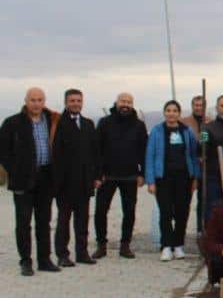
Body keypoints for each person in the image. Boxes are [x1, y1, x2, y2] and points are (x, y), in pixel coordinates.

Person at [0, 88, 60, 275]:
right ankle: (26, 261)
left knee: (44, 221)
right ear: (26, 101)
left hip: (46, 177)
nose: (36, 103)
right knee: (23, 221)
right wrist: (15, 170)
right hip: (23, 179)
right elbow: (3, 151)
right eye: (33, 100)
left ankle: (45, 260)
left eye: (40, 100)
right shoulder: (13, 123)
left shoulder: (51, 121)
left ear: (44, 101)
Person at [94, 92, 148, 259]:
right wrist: (98, 173)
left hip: (130, 176)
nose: (126, 104)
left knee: (129, 212)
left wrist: (142, 173)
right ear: (116, 102)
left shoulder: (139, 125)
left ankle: (125, 245)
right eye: (123, 101)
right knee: (101, 211)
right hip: (107, 176)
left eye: (129, 102)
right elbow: (96, 149)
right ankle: (101, 245)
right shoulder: (104, 123)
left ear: (132, 105)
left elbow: (143, 150)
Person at [146, 100, 201, 262]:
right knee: (165, 212)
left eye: (175, 110)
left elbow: (194, 153)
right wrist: (151, 180)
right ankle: (166, 245)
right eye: (168, 110)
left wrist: (195, 177)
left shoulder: (187, 131)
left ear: (179, 113)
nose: (171, 113)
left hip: (184, 178)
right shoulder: (157, 131)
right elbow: (150, 155)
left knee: (182, 212)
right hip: (163, 177)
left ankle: (178, 244)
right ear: (164, 113)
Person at [52, 89, 100, 266]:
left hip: (85, 182)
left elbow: (95, 153)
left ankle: (82, 252)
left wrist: (96, 176)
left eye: (79, 100)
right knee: (64, 221)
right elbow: (56, 155)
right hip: (65, 184)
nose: (76, 103)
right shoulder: (59, 124)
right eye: (72, 100)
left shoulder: (88, 124)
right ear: (66, 103)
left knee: (83, 220)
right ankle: (62, 255)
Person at [180, 95, 209, 231]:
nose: (198, 108)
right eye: (196, 105)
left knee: (204, 203)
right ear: (192, 106)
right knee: (184, 203)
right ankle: (180, 232)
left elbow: (209, 143)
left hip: (206, 169)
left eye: (201, 105)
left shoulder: (209, 122)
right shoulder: (184, 123)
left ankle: (201, 230)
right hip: (189, 168)